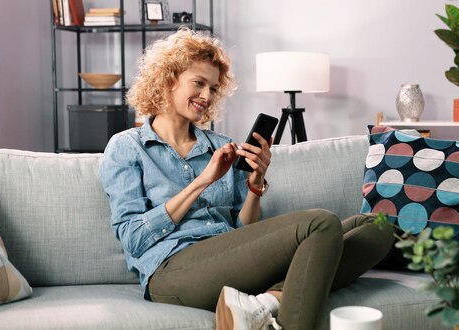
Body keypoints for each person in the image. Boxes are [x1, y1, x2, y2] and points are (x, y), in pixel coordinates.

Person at [98, 28, 394, 330]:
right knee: (320, 223)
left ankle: (264, 304)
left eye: (213, 88)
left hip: (231, 260)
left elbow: (244, 230)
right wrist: (203, 180)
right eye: (198, 83)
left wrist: (256, 184)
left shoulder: (219, 145)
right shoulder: (128, 146)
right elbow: (133, 238)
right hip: (173, 271)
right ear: (168, 79)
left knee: (377, 228)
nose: (206, 96)